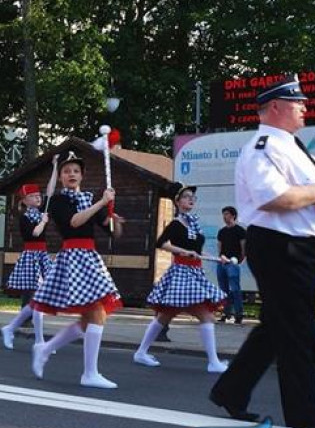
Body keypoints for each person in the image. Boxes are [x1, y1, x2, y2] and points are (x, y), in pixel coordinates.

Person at [209, 76, 315, 428]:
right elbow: (273, 198)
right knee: (295, 330)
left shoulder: (294, 147)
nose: (305, 108)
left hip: (303, 249)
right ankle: (306, 415)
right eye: (298, 103)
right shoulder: (263, 146)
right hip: (282, 247)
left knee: (277, 327)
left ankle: (230, 391)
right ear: (275, 108)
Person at [30, 150, 124, 388]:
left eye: (75, 171)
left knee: (91, 317)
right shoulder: (60, 201)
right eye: (66, 171)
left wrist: (114, 218)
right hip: (73, 257)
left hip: (90, 257)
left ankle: (46, 350)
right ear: (60, 177)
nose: (71, 174)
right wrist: (102, 202)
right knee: (94, 313)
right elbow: (74, 222)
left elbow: (110, 231)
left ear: (82, 175)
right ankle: (89, 373)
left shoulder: (91, 199)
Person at [134, 183, 228, 372]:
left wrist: (220, 259)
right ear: (177, 202)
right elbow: (161, 243)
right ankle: (213, 362)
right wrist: (183, 251)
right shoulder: (177, 223)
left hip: (194, 272)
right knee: (205, 316)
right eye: (186, 196)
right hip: (181, 274)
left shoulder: (193, 223)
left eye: (193, 197)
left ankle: (141, 352)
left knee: (165, 316)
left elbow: (198, 252)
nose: (191, 199)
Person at [1, 161, 58, 350]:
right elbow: (34, 233)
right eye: (33, 196)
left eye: (38, 195)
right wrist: (43, 222)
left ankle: (14, 329)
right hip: (32, 256)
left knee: (38, 299)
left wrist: (55, 167)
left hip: (42, 255)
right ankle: (39, 341)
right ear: (24, 200)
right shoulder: (24, 217)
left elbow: (50, 192)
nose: (38, 198)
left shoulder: (41, 210)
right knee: (38, 298)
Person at [216, 206, 247, 324]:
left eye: (227, 214)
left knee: (235, 289)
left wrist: (238, 261)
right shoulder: (222, 231)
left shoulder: (240, 230)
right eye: (223, 214)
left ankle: (239, 314)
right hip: (222, 263)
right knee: (223, 290)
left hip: (233, 263)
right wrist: (221, 257)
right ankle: (225, 313)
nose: (225, 217)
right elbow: (220, 248)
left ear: (233, 215)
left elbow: (243, 248)